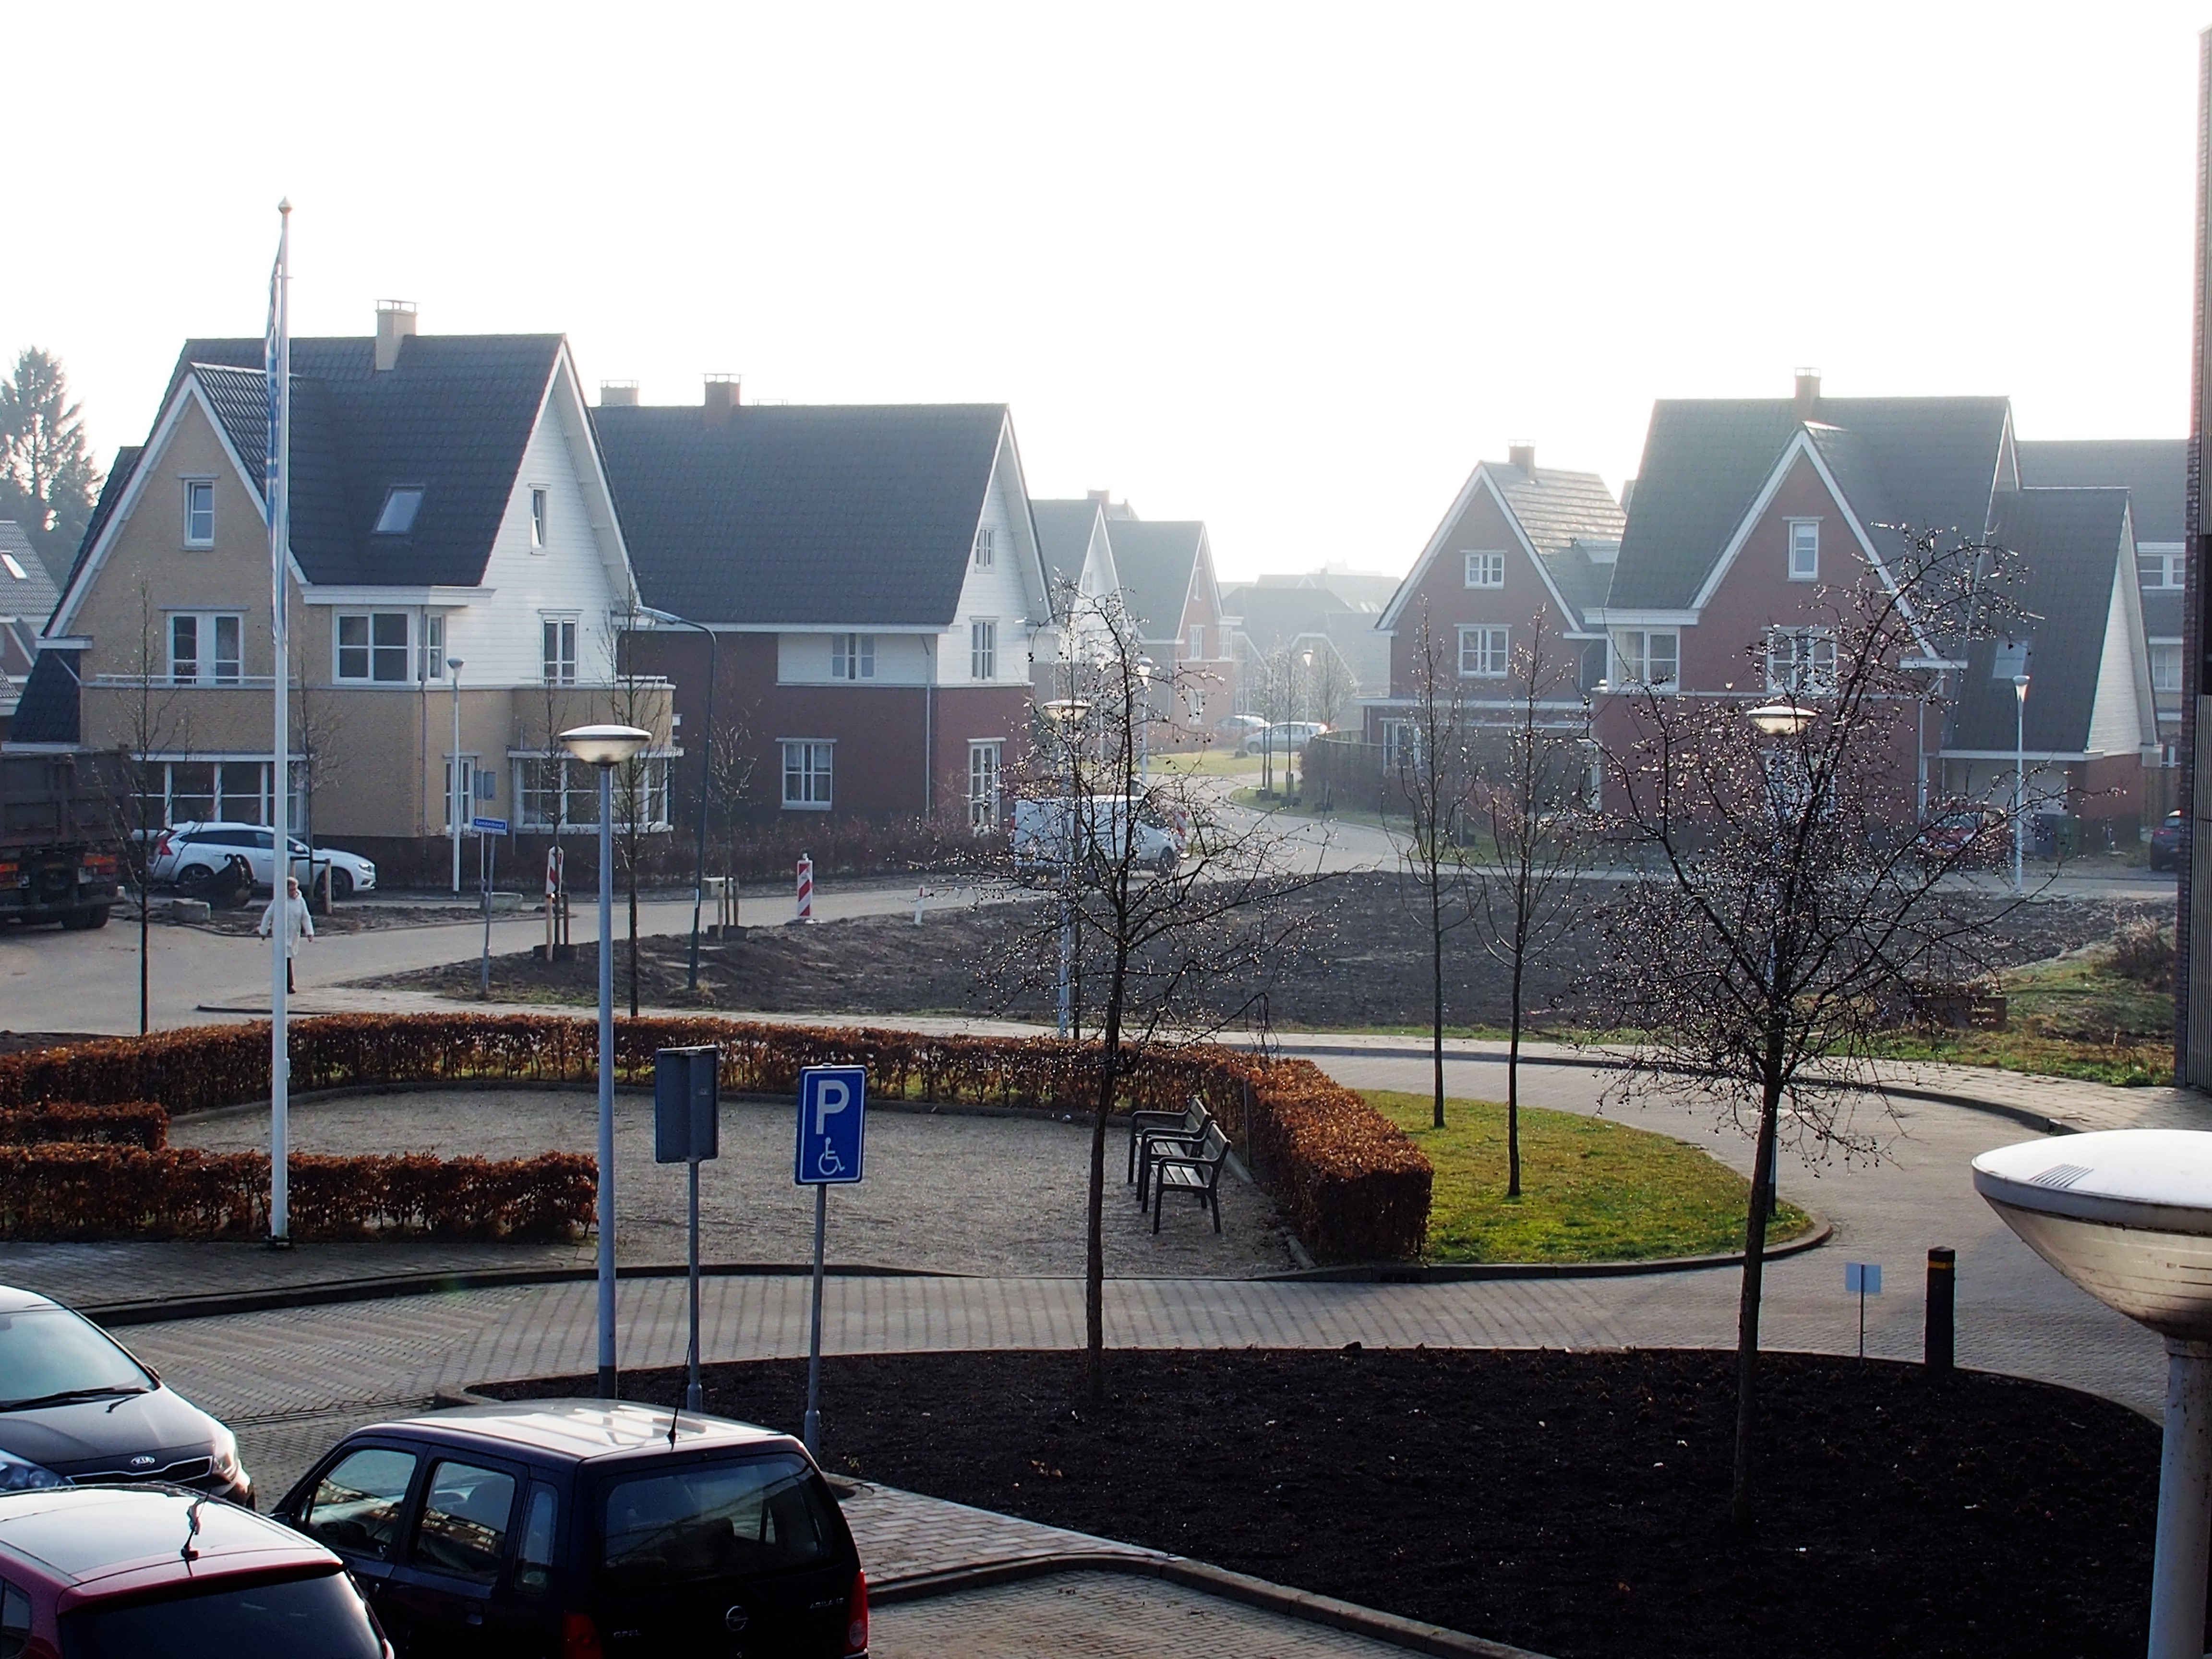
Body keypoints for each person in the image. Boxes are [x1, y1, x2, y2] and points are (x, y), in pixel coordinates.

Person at [257, 874, 316, 994]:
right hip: (281, 934)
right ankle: (288, 985)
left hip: (294, 934)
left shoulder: (300, 901)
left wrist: (309, 932)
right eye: (291, 890)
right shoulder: (279, 901)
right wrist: (263, 931)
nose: (293, 892)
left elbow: (305, 916)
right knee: (285, 959)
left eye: (295, 889)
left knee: (289, 957)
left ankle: (287, 985)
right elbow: (268, 915)